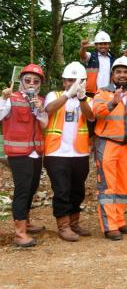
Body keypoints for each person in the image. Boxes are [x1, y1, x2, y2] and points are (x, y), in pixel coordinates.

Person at [43, 62, 94, 241]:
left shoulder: (87, 99)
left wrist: (80, 98)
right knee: (62, 190)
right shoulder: (54, 95)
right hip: (56, 152)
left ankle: (74, 223)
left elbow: (90, 116)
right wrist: (67, 94)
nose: (72, 83)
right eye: (69, 80)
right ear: (63, 81)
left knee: (77, 190)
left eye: (76, 81)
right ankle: (63, 226)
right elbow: (48, 109)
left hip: (79, 153)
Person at [92, 57, 127, 240]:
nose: (122, 75)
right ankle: (109, 225)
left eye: (126, 72)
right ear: (113, 74)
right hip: (107, 143)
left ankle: (119, 220)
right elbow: (96, 112)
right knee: (107, 186)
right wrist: (113, 102)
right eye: (118, 72)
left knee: (122, 185)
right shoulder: (103, 92)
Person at [1, 64, 48, 247]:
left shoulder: (40, 100)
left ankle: (26, 222)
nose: (31, 84)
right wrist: (3, 98)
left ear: (40, 85)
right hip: (19, 153)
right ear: (20, 81)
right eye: (28, 80)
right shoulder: (10, 98)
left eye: (35, 81)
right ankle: (20, 234)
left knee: (32, 187)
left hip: (36, 152)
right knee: (22, 189)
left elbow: (44, 125)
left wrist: (40, 109)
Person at [80, 31, 114, 96]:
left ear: (109, 45)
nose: (103, 46)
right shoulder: (91, 56)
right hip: (92, 93)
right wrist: (83, 48)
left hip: (108, 93)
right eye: (100, 44)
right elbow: (83, 56)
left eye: (105, 44)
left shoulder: (112, 59)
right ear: (96, 45)